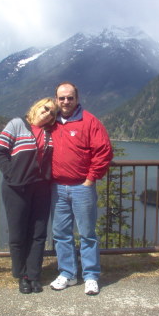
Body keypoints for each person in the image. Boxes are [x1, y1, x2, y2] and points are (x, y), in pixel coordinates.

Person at [49, 81, 113, 295]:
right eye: (61, 98)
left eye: (70, 97)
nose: (65, 101)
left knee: (87, 234)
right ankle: (67, 273)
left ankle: (91, 276)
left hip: (81, 188)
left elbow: (104, 151)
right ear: (56, 99)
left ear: (77, 99)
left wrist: (90, 178)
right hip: (57, 187)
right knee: (61, 234)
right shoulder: (51, 122)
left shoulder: (89, 121)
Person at [0, 97, 57, 294]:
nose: (47, 113)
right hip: (16, 189)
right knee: (18, 234)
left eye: (53, 113)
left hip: (41, 189)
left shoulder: (50, 133)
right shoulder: (17, 125)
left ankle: (34, 275)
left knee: (38, 234)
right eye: (45, 108)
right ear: (37, 107)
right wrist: (12, 175)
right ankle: (21, 276)